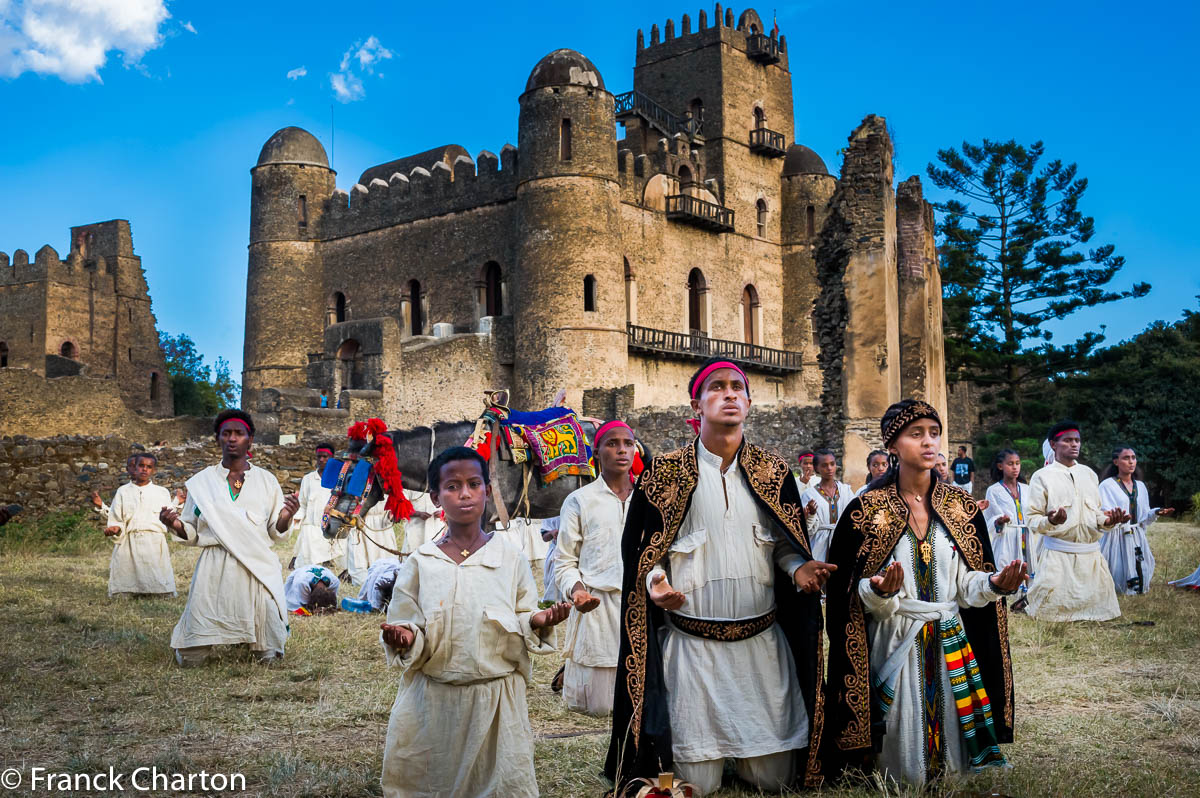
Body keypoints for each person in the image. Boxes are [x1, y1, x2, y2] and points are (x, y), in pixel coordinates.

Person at [606, 359, 835, 795]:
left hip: (760, 649)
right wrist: (655, 584)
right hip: (694, 651)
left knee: (772, 780)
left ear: (749, 403)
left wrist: (798, 566)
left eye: (738, 388)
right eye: (717, 387)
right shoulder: (664, 474)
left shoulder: (773, 473)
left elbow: (784, 545)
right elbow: (642, 554)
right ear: (697, 402)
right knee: (698, 785)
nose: (729, 394)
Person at [823, 399, 1020, 786]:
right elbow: (849, 594)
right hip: (895, 639)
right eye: (916, 435)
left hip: (951, 640)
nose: (929, 443)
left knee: (950, 762)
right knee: (901, 763)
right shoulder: (867, 510)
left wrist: (994, 585)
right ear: (892, 445)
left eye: (934, 433)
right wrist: (879, 592)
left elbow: (966, 586)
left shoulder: (961, 508)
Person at [378, 447, 570, 798]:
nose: (464, 494)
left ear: (487, 488)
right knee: (430, 782)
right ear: (436, 496)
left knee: (501, 783)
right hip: (435, 698)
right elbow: (406, 622)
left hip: (496, 699)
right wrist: (403, 637)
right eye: (452, 487)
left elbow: (524, 613)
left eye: (473, 484)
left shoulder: (509, 556)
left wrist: (539, 620)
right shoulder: (422, 561)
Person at [160, 410, 299, 666]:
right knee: (191, 660)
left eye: (239, 433)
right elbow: (191, 530)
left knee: (269, 656)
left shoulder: (266, 481)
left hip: (256, 564)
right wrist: (175, 524)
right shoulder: (201, 483)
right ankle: (199, 643)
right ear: (218, 439)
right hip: (215, 563)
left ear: (250, 440)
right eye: (226, 433)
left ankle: (261, 645)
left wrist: (286, 515)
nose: (232, 439)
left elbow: (275, 531)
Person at [553, 420, 637, 716]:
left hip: (642, 609)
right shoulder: (579, 501)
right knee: (597, 707)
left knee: (641, 703)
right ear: (596, 452)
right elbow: (564, 560)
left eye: (627, 443)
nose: (621, 450)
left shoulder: (648, 499)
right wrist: (577, 592)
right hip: (596, 608)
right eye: (612, 444)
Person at [1024, 421, 1128, 622]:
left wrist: (1109, 520)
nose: (1074, 444)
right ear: (1054, 444)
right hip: (1057, 556)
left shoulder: (1089, 474)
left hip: (1090, 555)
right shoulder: (1042, 476)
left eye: (1077, 440)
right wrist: (1051, 520)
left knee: (1100, 615)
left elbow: (1095, 514)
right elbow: (1033, 519)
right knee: (1050, 615)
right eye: (1068, 440)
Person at [1099, 447, 1173, 595]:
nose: (1131, 462)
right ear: (1116, 462)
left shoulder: (1140, 486)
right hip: (1116, 535)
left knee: (1142, 566)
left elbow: (1145, 515)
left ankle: (1137, 588)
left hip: (1137, 535)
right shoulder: (1107, 485)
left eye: (1133, 457)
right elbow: (1103, 512)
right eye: (1126, 458)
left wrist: (1156, 511)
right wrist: (1117, 519)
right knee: (1117, 570)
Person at [103, 452, 177, 598]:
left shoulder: (161, 492)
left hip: (154, 541)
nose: (144, 469)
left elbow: (168, 517)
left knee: (157, 578)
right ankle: (127, 590)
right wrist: (115, 528)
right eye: (141, 466)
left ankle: (159, 591)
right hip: (130, 541)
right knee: (126, 584)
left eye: (149, 467)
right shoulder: (123, 492)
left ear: (153, 470)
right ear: (134, 468)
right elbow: (116, 518)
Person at [289, 442, 343, 571]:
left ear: (332, 458)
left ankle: (329, 561)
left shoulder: (339, 479)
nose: (321, 460)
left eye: (325, 457)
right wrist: (297, 520)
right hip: (311, 527)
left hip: (331, 527)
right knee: (306, 564)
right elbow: (302, 503)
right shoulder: (308, 479)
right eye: (319, 456)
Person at [801, 448, 854, 563]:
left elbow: (854, 518)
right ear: (816, 468)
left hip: (844, 542)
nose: (829, 468)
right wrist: (811, 514)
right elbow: (806, 529)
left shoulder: (846, 491)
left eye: (832, 464)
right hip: (818, 546)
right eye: (824, 465)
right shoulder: (809, 495)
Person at [344, 496, 401, 586]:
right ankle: (364, 585)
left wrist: (391, 516)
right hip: (359, 524)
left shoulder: (387, 484)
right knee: (359, 563)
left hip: (382, 527)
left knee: (386, 566)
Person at [400, 488, 442, 554]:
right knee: (413, 556)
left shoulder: (439, 481)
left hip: (436, 528)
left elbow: (452, 503)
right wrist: (418, 514)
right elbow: (401, 508)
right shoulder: (409, 483)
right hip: (415, 530)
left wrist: (443, 512)